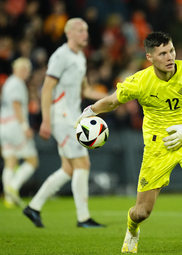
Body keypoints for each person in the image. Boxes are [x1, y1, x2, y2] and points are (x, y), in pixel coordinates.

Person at [75, 32, 182, 254]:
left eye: (171, 51)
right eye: (162, 53)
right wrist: (90, 111)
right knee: (142, 211)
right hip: (157, 145)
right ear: (150, 57)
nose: (169, 57)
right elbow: (113, 100)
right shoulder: (140, 81)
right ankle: (132, 230)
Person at [23, 18, 107, 228]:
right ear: (68, 33)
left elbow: (85, 90)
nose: (85, 34)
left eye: (86, 30)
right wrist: (46, 120)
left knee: (69, 169)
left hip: (73, 116)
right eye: (80, 30)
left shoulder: (79, 57)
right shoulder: (61, 55)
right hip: (61, 117)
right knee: (83, 164)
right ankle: (83, 218)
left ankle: (33, 207)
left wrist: (115, 96)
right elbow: (47, 88)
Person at [0, 58, 38, 209]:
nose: (27, 73)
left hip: (3, 125)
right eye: (26, 70)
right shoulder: (17, 83)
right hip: (14, 125)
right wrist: (24, 126)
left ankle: (9, 197)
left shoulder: (9, 82)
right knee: (32, 161)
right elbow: (16, 104)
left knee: (10, 160)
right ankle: (13, 187)